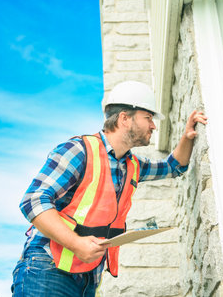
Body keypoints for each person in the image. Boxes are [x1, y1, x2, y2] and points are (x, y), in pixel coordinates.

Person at [11, 80, 208, 297]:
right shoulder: (80, 150)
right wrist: (76, 243)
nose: (153, 125)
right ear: (125, 118)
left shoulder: (133, 165)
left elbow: (173, 167)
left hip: (87, 276)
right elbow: (33, 201)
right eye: (148, 118)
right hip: (48, 269)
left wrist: (188, 136)